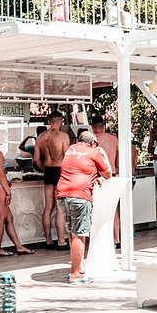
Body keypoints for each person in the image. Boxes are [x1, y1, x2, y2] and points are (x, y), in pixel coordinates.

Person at [55, 130, 112, 284]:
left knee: (72, 233)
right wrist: (103, 153)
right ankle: (75, 275)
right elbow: (108, 174)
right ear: (93, 143)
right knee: (80, 234)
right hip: (80, 195)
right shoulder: (94, 152)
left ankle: (79, 268)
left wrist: (94, 176)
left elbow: (79, 168)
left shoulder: (71, 149)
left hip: (62, 195)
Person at [0, 127, 32, 257]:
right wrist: (8, 192)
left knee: (9, 218)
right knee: (0, 220)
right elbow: (1, 174)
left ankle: (18, 246)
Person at [34, 111, 71, 250]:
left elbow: (36, 160)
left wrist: (44, 169)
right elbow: (67, 158)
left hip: (48, 171)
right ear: (60, 121)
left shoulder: (41, 137)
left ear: (49, 121)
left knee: (48, 206)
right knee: (59, 207)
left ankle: (48, 240)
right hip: (60, 171)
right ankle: (61, 241)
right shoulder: (63, 136)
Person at [90, 115, 123, 242]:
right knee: (113, 209)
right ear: (103, 126)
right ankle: (116, 238)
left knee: (97, 210)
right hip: (112, 175)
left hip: (98, 177)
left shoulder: (93, 141)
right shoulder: (114, 139)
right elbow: (119, 159)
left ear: (92, 127)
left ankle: (99, 238)